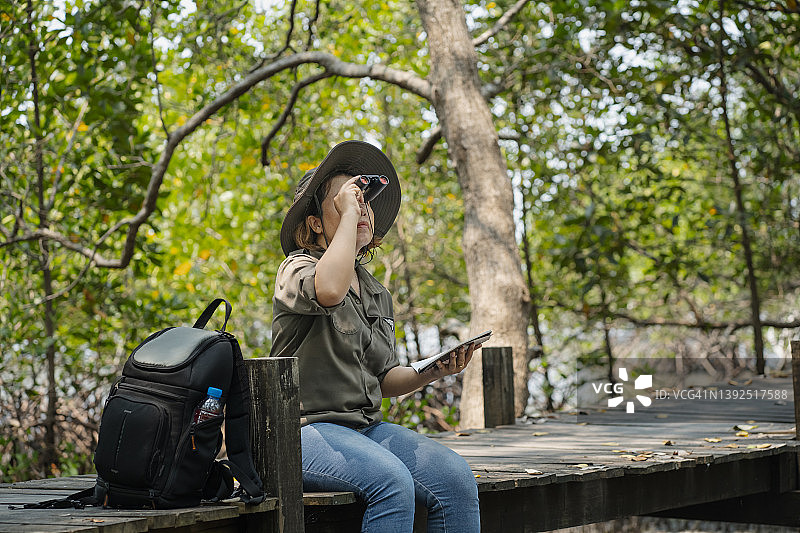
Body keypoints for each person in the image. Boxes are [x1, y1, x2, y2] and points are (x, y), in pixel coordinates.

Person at [270, 140, 481, 532]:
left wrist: (433, 371)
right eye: (347, 200)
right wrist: (350, 214)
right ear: (316, 222)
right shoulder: (296, 268)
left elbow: (384, 380)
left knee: (455, 478)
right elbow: (329, 291)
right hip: (304, 433)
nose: (361, 206)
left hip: (364, 430)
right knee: (392, 484)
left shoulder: (374, 292)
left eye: (364, 200)